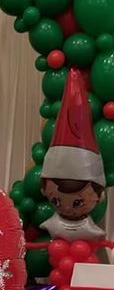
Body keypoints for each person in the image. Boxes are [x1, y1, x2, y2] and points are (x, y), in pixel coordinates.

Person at [40, 68, 106, 242]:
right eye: (56, 200)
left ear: (100, 196)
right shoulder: (50, 224)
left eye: (77, 202)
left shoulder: (92, 231)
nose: (67, 208)